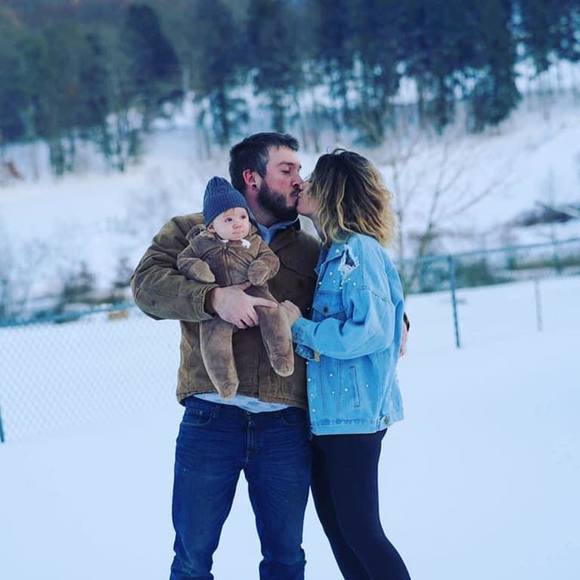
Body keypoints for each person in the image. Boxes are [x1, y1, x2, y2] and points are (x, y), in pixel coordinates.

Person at [131, 133, 320, 580]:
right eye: (287, 170)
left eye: (299, 169)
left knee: (286, 559)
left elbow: (355, 291)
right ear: (252, 178)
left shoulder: (310, 249)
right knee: (192, 560)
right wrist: (213, 298)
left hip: (284, 424)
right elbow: (146, 288)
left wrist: (398, 316)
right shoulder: (189, 231)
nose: (299, 179)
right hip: (211, 419)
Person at [280, 149, 412, 580]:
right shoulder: (333, 252)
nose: (303, 185)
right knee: (341, 534)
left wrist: (300, 329)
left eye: (313, 180)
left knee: (361, 532)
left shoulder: (359, 252)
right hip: (329, 418)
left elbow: (369, 332)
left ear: (332, 192)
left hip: (355, 416)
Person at [176, 176, 295, 399]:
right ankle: (225, 381)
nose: (238, 223)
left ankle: (281, 356)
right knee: (213, 339)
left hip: (256, 292)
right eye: (228, 220)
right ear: (212, 226)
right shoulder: (200, 243)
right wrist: (200, 270)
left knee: (274, 314)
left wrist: (261, 267)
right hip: (219, 303)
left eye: (242, 216)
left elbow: (271, 260)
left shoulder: (255, 241)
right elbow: (184, 260)